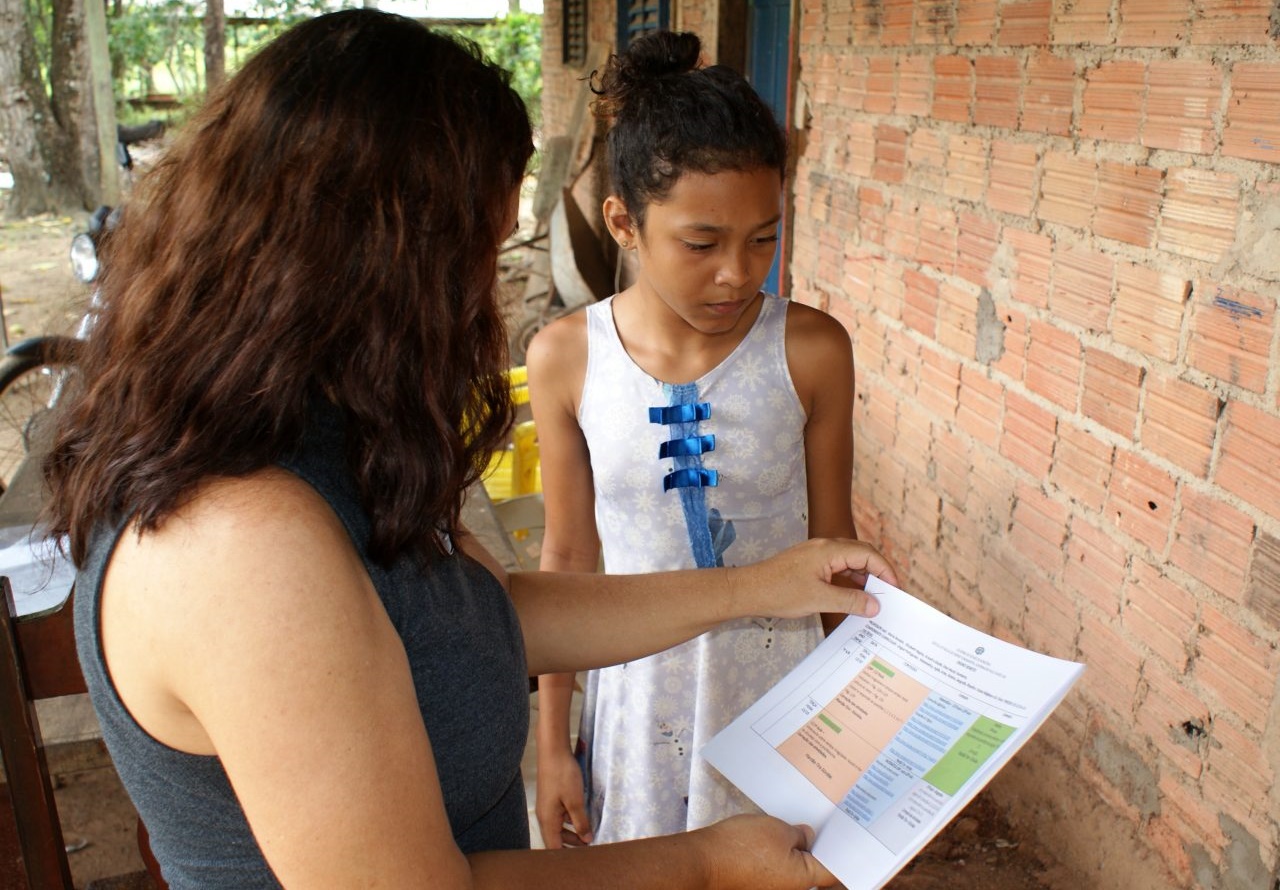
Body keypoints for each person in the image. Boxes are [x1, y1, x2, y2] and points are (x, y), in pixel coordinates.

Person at [40, 10, 894, 889]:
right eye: (470, 261)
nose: (481, 301)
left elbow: (484, 622)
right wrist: (708, 864)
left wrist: (758, 586)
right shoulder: (239, 543)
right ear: (371, 265)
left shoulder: (320, 437)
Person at [528, 29, 861, 850]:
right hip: (638, 704)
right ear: (624, 224)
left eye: (764, 238)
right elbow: (568, 561)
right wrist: (552, 748)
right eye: (702, 244)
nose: (739, 275)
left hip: (780, 696)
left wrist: (858, 737)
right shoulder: (568, 358)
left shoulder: (812, 350)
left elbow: (835, 552)